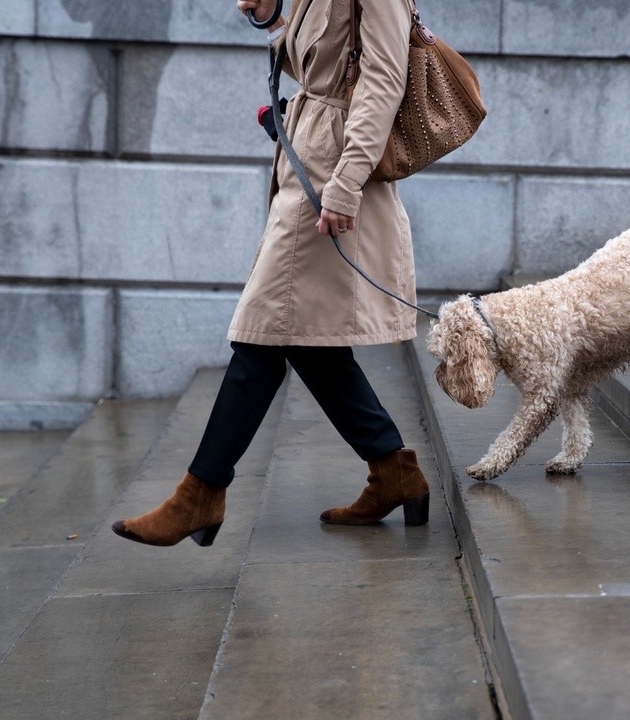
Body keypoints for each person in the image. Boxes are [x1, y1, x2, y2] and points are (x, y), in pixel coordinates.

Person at [111, 0, 430, 547]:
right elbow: (319, 68)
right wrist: (274, 18)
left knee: (261, 334)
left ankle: (201, 493)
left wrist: (348, 183)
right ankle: (394, 470)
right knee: (307, 340)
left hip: (330, 180)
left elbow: (383, 80)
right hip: (304, 165)